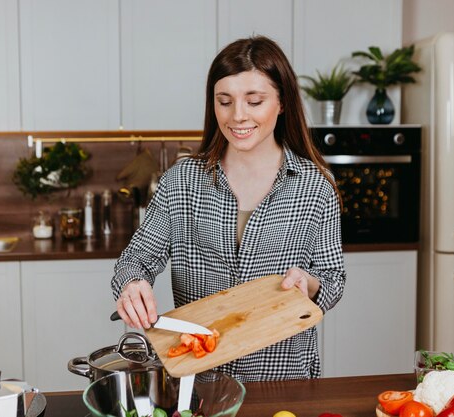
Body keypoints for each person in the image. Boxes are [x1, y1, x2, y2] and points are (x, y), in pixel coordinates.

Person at [111, 35, 346, 382]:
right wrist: (132, 284)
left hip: (282, 377)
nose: (238, 116)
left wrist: (307, 283)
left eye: (254, 101)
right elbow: (136, 259)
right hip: (198, 378)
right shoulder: (182, 181)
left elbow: (332, 278)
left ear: (281, 103)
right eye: (225, 101)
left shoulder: (315, 187)